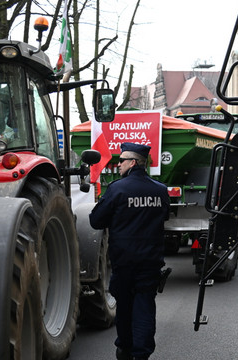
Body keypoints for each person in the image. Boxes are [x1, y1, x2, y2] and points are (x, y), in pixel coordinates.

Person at [89, 142, 170, 360]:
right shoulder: (160, 190)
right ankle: (141, 354)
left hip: (124, 262)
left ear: (133, 162)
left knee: (124, 308)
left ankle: (125, 348)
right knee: (145, 307)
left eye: (122, 161)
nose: (119, 165)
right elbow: (164, 217)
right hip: (150, 262)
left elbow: (96, 221)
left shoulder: (117, 189)